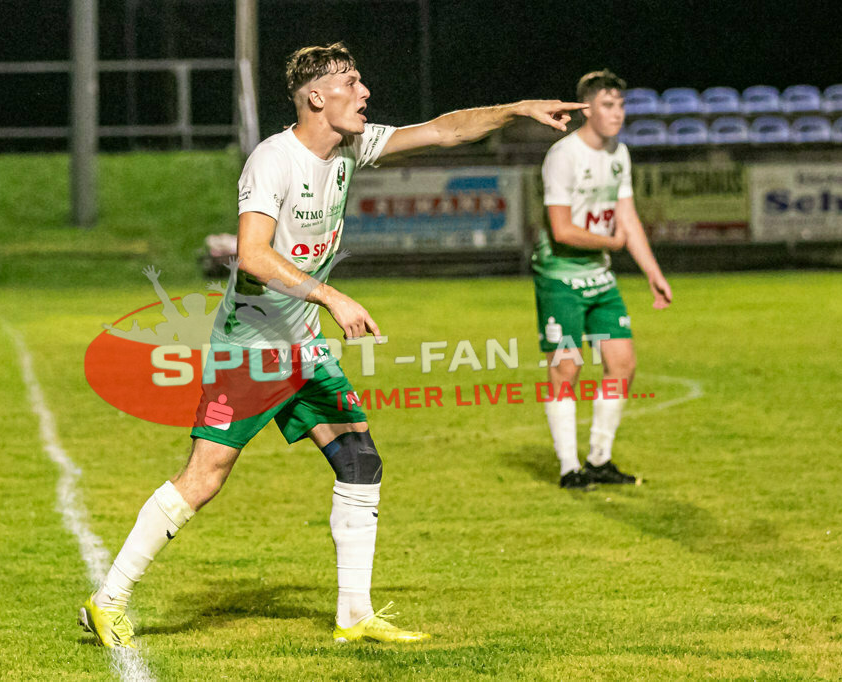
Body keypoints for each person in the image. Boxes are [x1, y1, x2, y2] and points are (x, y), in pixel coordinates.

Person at [79, 42, 586, 648]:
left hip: (301, 345)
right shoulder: (274, 160)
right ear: (317, 96)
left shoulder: (352, 145)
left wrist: (520, 108)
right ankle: (107, 601)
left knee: (359, 460)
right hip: (252, 347)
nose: (364, 91)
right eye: (351, 81)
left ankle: (354, 614)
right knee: (204, 477)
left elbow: (446, 131)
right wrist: (331, 296)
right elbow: (252, 255)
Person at [532, 69, 672, 490]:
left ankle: (598, 460)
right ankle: (568, 468)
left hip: (599, 275)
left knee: (623, 365)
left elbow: (627, 215)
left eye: (622, 104)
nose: (618, 113)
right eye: (608, 105)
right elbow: (561, 229)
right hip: (559, 277)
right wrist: (610, 242)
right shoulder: (564, 155)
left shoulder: (619, 153)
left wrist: (652, 271)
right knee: (567, 369)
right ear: (587, 109)